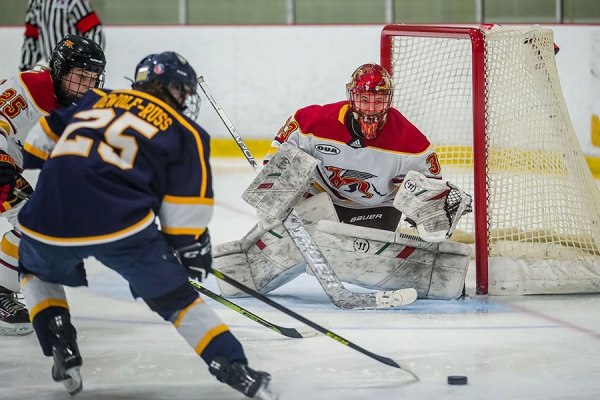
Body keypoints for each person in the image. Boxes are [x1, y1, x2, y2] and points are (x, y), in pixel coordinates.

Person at [17, 51, 276, 399]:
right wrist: (191, 252)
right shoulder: (186, 131)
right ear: (172, 88)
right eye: (183, 91)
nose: (185, 99)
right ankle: (235, 369)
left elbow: (35, 145)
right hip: (120, 227)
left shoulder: (96, 99)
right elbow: (184, 216)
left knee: (35, 269)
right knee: (178, 300)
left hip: (47, 215)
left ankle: (59, 340)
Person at [212, 63, 472, 302]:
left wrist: (432, 215)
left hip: (377, 209)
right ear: (351, 96)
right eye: (364, 99)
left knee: (353, 258)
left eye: (378, 100)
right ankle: (240, 273)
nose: (371, 108)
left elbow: (428, 193)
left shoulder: (412, 144)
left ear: (389, 100)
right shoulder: (311, 122)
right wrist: (275, 195)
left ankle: (433, 275)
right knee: (288, 241)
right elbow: (278, 161)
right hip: (320, 200)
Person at [0, 34, 106, 336]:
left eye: (91, 78)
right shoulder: (32, 86)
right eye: (79, 76)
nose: (85, 85)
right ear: (59, 69)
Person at [20, 0, 106, 72]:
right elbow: (31, 38)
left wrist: (89, 61)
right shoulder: (35, 2)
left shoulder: (73, 1)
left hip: (74, 68)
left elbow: (94, 30)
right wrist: (26, 68)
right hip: (51, 66)